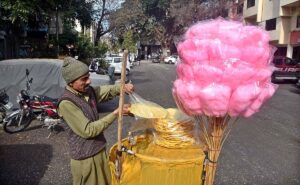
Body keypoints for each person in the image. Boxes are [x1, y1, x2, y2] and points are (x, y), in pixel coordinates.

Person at [58, 57, 134, 185]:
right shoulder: (66, 103)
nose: (89, 81)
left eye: (88, 76)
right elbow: (88, 130)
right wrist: (115, 113)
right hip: (85, 160)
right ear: (71, 82)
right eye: (84, 79)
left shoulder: (87, 92)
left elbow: (105, 91)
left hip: (99, 152)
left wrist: (122, 87)